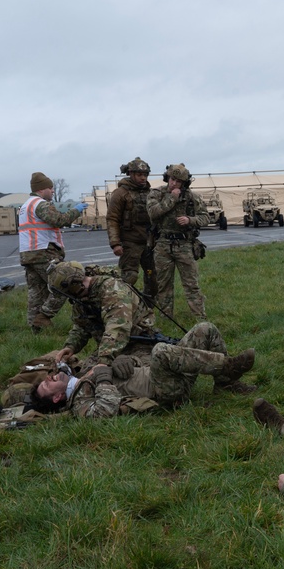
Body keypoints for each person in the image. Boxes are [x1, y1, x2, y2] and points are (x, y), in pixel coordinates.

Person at [31, 321, 257, 417]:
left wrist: (127, 361)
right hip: (165, 390)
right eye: (48, 384)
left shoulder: (81, 373)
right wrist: (103, 379)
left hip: (166, 374)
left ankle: (225, 383)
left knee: (204, 329)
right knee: (160, 351)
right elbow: (105, 411)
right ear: (57, 397)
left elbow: (132, 365)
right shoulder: (79, 403)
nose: (51, 377)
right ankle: (228, 367)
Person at [18, 172, 88, 333]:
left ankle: (35, 329)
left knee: (36, 292)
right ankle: (44, 317)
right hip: (44, 253)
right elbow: (59, 220)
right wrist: (76, 210)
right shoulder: (40, 204)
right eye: (50, 188)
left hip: (28, 255)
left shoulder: (25, 206)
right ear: (41, 189)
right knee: (63, 285)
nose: (53, 191)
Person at [146, 163, 209, 320]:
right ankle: (167, 319)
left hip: (185, 245)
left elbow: (206, 217)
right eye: (172, 179)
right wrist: (172, 197)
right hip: (162, 245)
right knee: (163, 285)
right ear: (167, 177)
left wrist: (190, 220)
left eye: (178, 181)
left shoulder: (191, 197)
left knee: (191, 284)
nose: (174, 183)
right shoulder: (157, 193)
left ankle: (200, 317)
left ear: (184, 183)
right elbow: (153, 213)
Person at [106, 157, 158, 299]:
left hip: (149, 243)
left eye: (145, 175)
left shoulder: (151, 193)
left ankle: (148, 304)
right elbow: (112, 219)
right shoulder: (120, 194)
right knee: (129, 277)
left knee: (152, 276)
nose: (143, 178)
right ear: (131, 174)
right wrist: (115, 243)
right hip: (129, 243)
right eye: (139, 175)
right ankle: (120, 304)